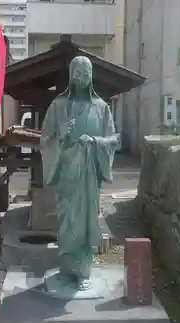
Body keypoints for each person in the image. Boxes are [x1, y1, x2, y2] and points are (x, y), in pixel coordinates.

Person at [40, 56, 119, 291]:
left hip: (89, 174)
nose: (83, 78)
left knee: (86, 220)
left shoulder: (101, 107)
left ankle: (83, 270)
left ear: (92, 76)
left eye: (87, 74)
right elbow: (45, 139)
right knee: (67, 221)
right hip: (67, 172)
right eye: (78, 74)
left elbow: (114, 139)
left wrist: (94, 141)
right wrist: (61, 135)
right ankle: (67, 269)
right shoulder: (58, 106)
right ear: (71, 76)